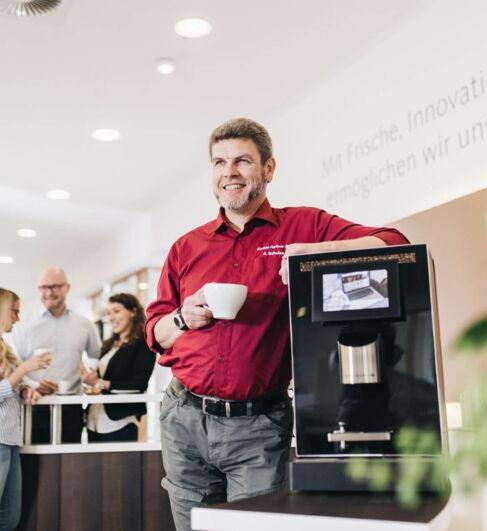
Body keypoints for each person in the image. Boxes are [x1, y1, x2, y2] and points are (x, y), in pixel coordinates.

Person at [145, 117, 409, 530]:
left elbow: (394, 242)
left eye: (242, 161)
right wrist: (182, 317)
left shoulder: (302, 224)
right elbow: (156, 330)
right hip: (184, 418)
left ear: (268, 169)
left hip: (258, 425)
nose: (229, 173)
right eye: (219, 163)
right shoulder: (185, 247)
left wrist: (316, 251)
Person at [11, 267, 101, 443]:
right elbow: (17, 367)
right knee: (36, 466)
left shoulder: (84, 324)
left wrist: (90, 377)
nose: (49, 292)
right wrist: (34, 385)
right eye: (43, 287)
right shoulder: (24, 325)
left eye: (55, 287)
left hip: (71, 408)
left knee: (70, 464)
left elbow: (95, 357)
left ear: (67, 287)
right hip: (34, 406)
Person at [0, 288, 50, 531]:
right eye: (14, 312)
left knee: (10, 517)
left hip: (9, 440)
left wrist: (25, 390)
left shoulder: (3, 346)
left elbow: (10, 384)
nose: (18, 319)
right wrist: (25, 369)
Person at [82, 293, 156, 442]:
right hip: (94, 419)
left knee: (118, 465)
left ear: (133, 312)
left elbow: (140, 384)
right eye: (109, 313)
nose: (111, 318)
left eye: (116, 311)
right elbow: (99, 378)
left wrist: (100, 383)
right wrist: (89, 377)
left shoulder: (143, 344)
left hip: (121, 421)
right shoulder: (108, 345)